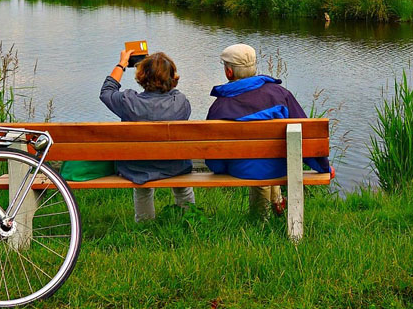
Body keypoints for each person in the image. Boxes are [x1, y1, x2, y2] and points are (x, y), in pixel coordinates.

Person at [206, 43, 330, 217]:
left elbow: (213, 153)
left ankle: (260, 220)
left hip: (241, 169)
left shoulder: (219, 107)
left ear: (229, 72)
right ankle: (276, 203)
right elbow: (307, 136)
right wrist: (324, 167)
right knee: (266, 158)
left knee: (256, 163)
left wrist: (220, 169)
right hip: (281, 167)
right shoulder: (280, 95)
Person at [100, 48, 194, 221]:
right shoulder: (180, 101)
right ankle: (189, 219)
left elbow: (106, 92)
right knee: (183, 184)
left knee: (141, 185)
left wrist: (122, 64)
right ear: (172, 78)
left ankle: (144, 223)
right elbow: (173, 92)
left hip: (137, 168)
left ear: (141, 77)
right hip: (175, 166)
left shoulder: (128, 101)